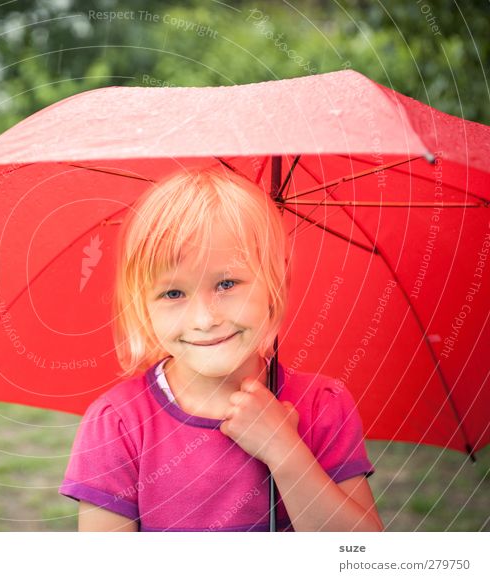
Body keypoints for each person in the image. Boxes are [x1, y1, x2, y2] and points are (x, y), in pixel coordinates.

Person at [58, 165, 383, 532]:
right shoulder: (119, 424)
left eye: (227, 283)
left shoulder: (322, 406)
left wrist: (284, 451)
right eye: (173, 293)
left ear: (277, 280)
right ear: (141, 304)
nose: (205, 318)